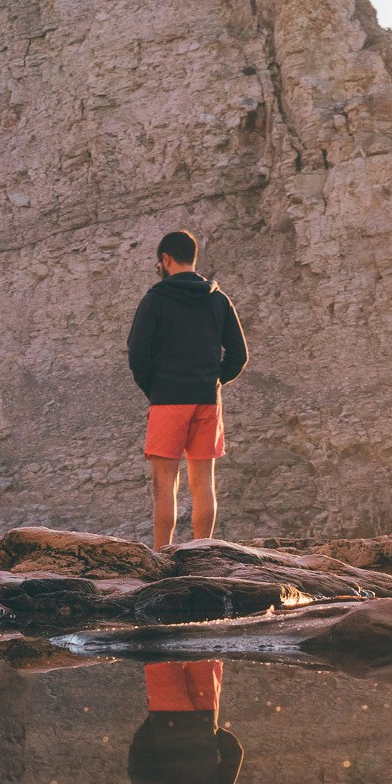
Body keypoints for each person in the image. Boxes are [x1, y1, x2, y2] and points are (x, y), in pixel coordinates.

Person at [126, 231, 248, 552]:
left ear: (165, 259)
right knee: (203, 482)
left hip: (168, 400)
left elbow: (137, 353)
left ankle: (162, 555)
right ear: (192, 258)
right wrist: (214, 380)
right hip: (207, 400)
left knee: (164, 484)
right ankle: (203, 552)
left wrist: (154, 387)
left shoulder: (155, 299)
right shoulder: (218, 298)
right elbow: (239, 355)